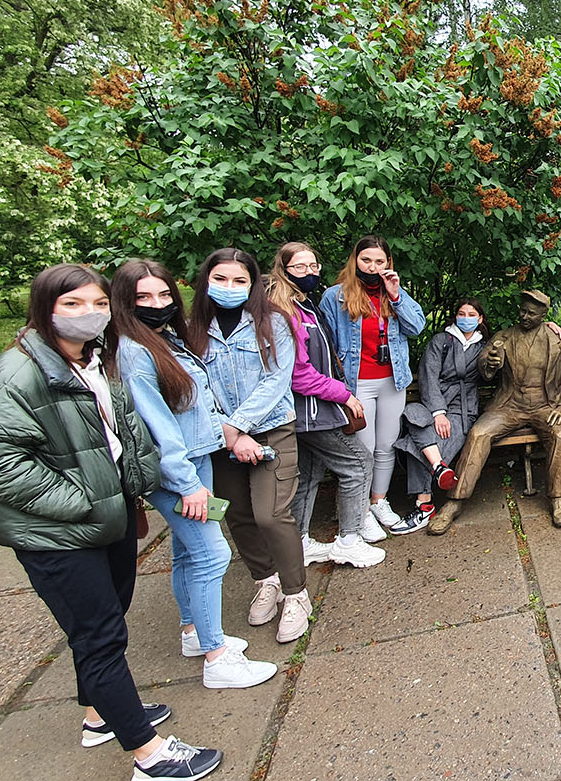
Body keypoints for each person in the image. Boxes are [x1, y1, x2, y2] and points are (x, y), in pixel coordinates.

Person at [0, 264, 223, 780]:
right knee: (99, 636)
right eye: (73, 304)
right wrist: (82, 501)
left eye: (99, 304)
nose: (89, 314)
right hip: (59, 531)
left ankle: (100, 716)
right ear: (45, 308)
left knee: (107, 622)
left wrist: (131, 486)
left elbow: (123, 431)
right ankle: (150, 755)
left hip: (110, 514)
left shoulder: (96, 358)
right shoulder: (16, 374)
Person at [109, 260, 280, 690]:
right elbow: (159, 426)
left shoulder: (161, 339)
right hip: (176, 470)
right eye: (143, 297)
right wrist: (188, 485)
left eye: (164, 294)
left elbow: (195, 406)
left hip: (197, 455)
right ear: (124, 301)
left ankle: (194, 632)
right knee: (212, 555)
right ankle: (217, 659)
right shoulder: (135, 352)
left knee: (187, 553)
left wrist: (230, 437)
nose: (157, 304)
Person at [186, 248, 311, 643]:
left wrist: (238, 427)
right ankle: (266, 579)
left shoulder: (274, 322)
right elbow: (193, 385)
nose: (230, 286)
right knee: (236, 514)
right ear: (206, 281)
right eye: (220, 279)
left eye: (239, 280)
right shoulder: (191, 329)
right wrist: (227, 433)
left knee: (271, 515)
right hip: (218, 438)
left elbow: (276, 381)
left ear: (253, 283)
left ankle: (296, 593)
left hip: (271, 429)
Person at [266, 243, 385, 568]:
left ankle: (299, 542)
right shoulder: (284, 312)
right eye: (300, 267)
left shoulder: (303, 305)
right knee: (358, 463)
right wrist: (344, 394)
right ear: (284, 270)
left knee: (308, 473)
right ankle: (349, 540)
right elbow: (298, 374)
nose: (309, 273)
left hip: (307, 412)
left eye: (313, 266)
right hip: (311, 411)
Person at [432, 289, 561, 533]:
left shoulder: (558, 340)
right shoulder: (503, 337)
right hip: (510, 404)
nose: (524, 316)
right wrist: (490, 364)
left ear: (543, 316)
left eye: (531, 313)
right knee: (479, 433)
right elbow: (484, 369)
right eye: (522, 311)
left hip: (546, 405)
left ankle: (558, 499)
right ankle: (454, 501)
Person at [319, 235, 427, 540]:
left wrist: (395, 296)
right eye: (366, 260)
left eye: (379, 261)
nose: (372, 266)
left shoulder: (394, 292)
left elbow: (416, 327)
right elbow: (326, 344)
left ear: (388, 263)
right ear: (355, 260)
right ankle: (361, 511)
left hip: (392, 380)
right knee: (363, 451)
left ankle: (379, 501)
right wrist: (339, 389)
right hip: (357, 384)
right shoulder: (335, 297)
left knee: (386, 446)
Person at [394, 299, 487, 525]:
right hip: (434, 404)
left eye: (471, 314)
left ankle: (424, 505)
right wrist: (438, 412)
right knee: (413, 413)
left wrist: (550, 326)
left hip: (463, 409)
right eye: (461, 313)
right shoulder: (441, 341)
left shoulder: (484, 346)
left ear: (480, 319)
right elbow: (429, 376)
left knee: (416, 444)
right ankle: (439, 467)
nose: (466, 318)